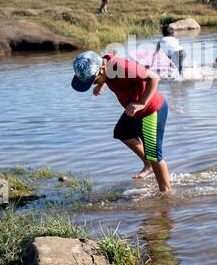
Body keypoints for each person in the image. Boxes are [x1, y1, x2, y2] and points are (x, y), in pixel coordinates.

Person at [71, 50, 172, 195]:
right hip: (134, 110)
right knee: (122, 132)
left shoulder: (121, 68)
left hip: (151, 110)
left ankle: (166, 194)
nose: (93, 83)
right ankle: (148, 166)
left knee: (154, 154)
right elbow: (106, 69)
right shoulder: (103, 65)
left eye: (93, 80)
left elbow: (154, 77)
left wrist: (142, 103)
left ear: (102, 70)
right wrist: (101, 85)